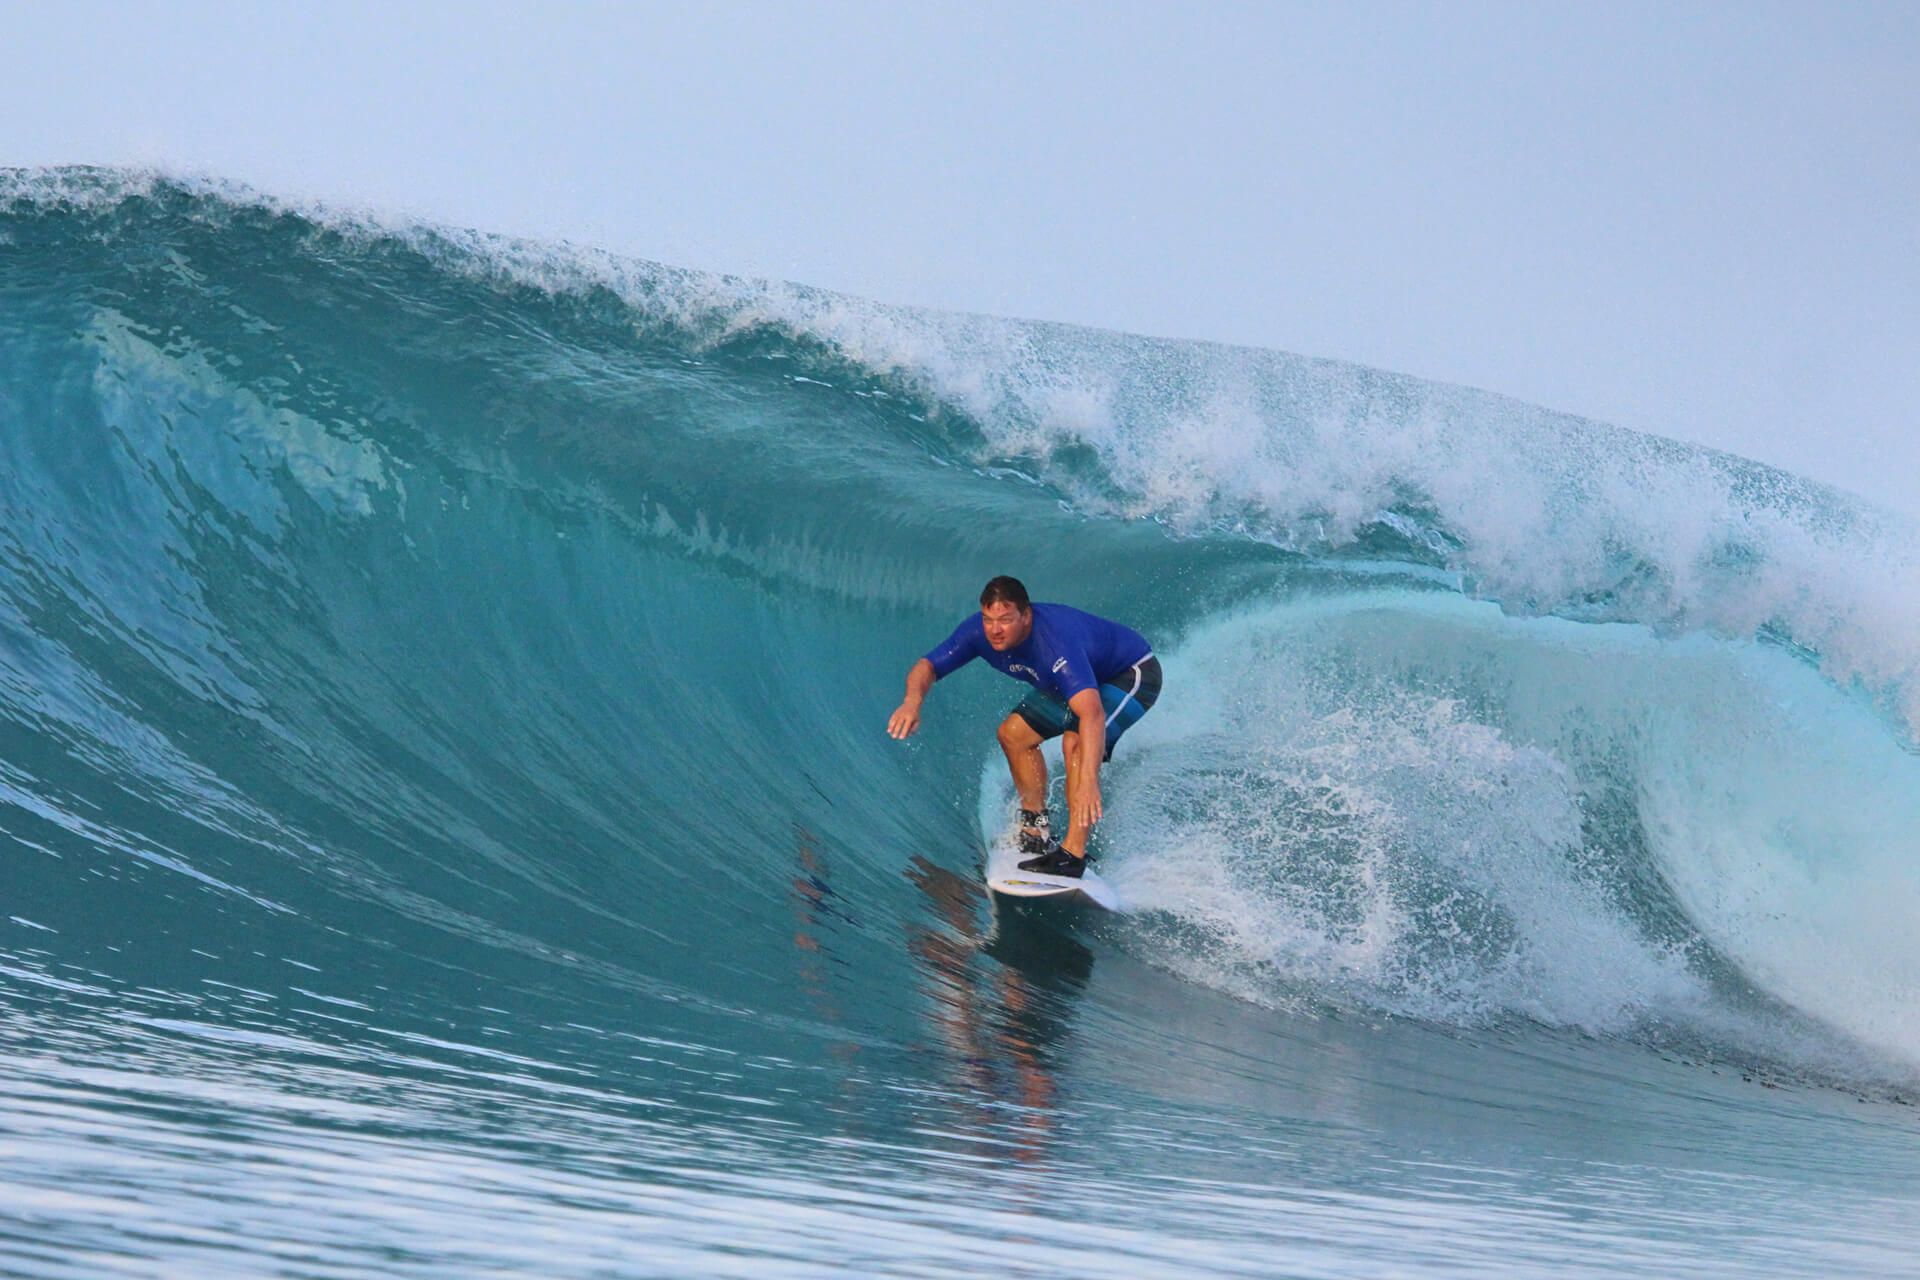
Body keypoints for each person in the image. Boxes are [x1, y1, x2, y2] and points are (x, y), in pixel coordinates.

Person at [887, 576, 1161, 878]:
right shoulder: (977, 633)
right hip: (1082, 678)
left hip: (1131, 674)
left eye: (1005, 620)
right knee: (1013, 735)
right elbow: (927, 666)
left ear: (1026, 616)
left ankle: (1072, 855)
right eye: (988, 619)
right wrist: (912, 702)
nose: (995, 629)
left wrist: (1088, 780)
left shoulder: (1055, 644)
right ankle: (1035, 830)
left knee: (1077, 744)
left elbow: (1092, 716)